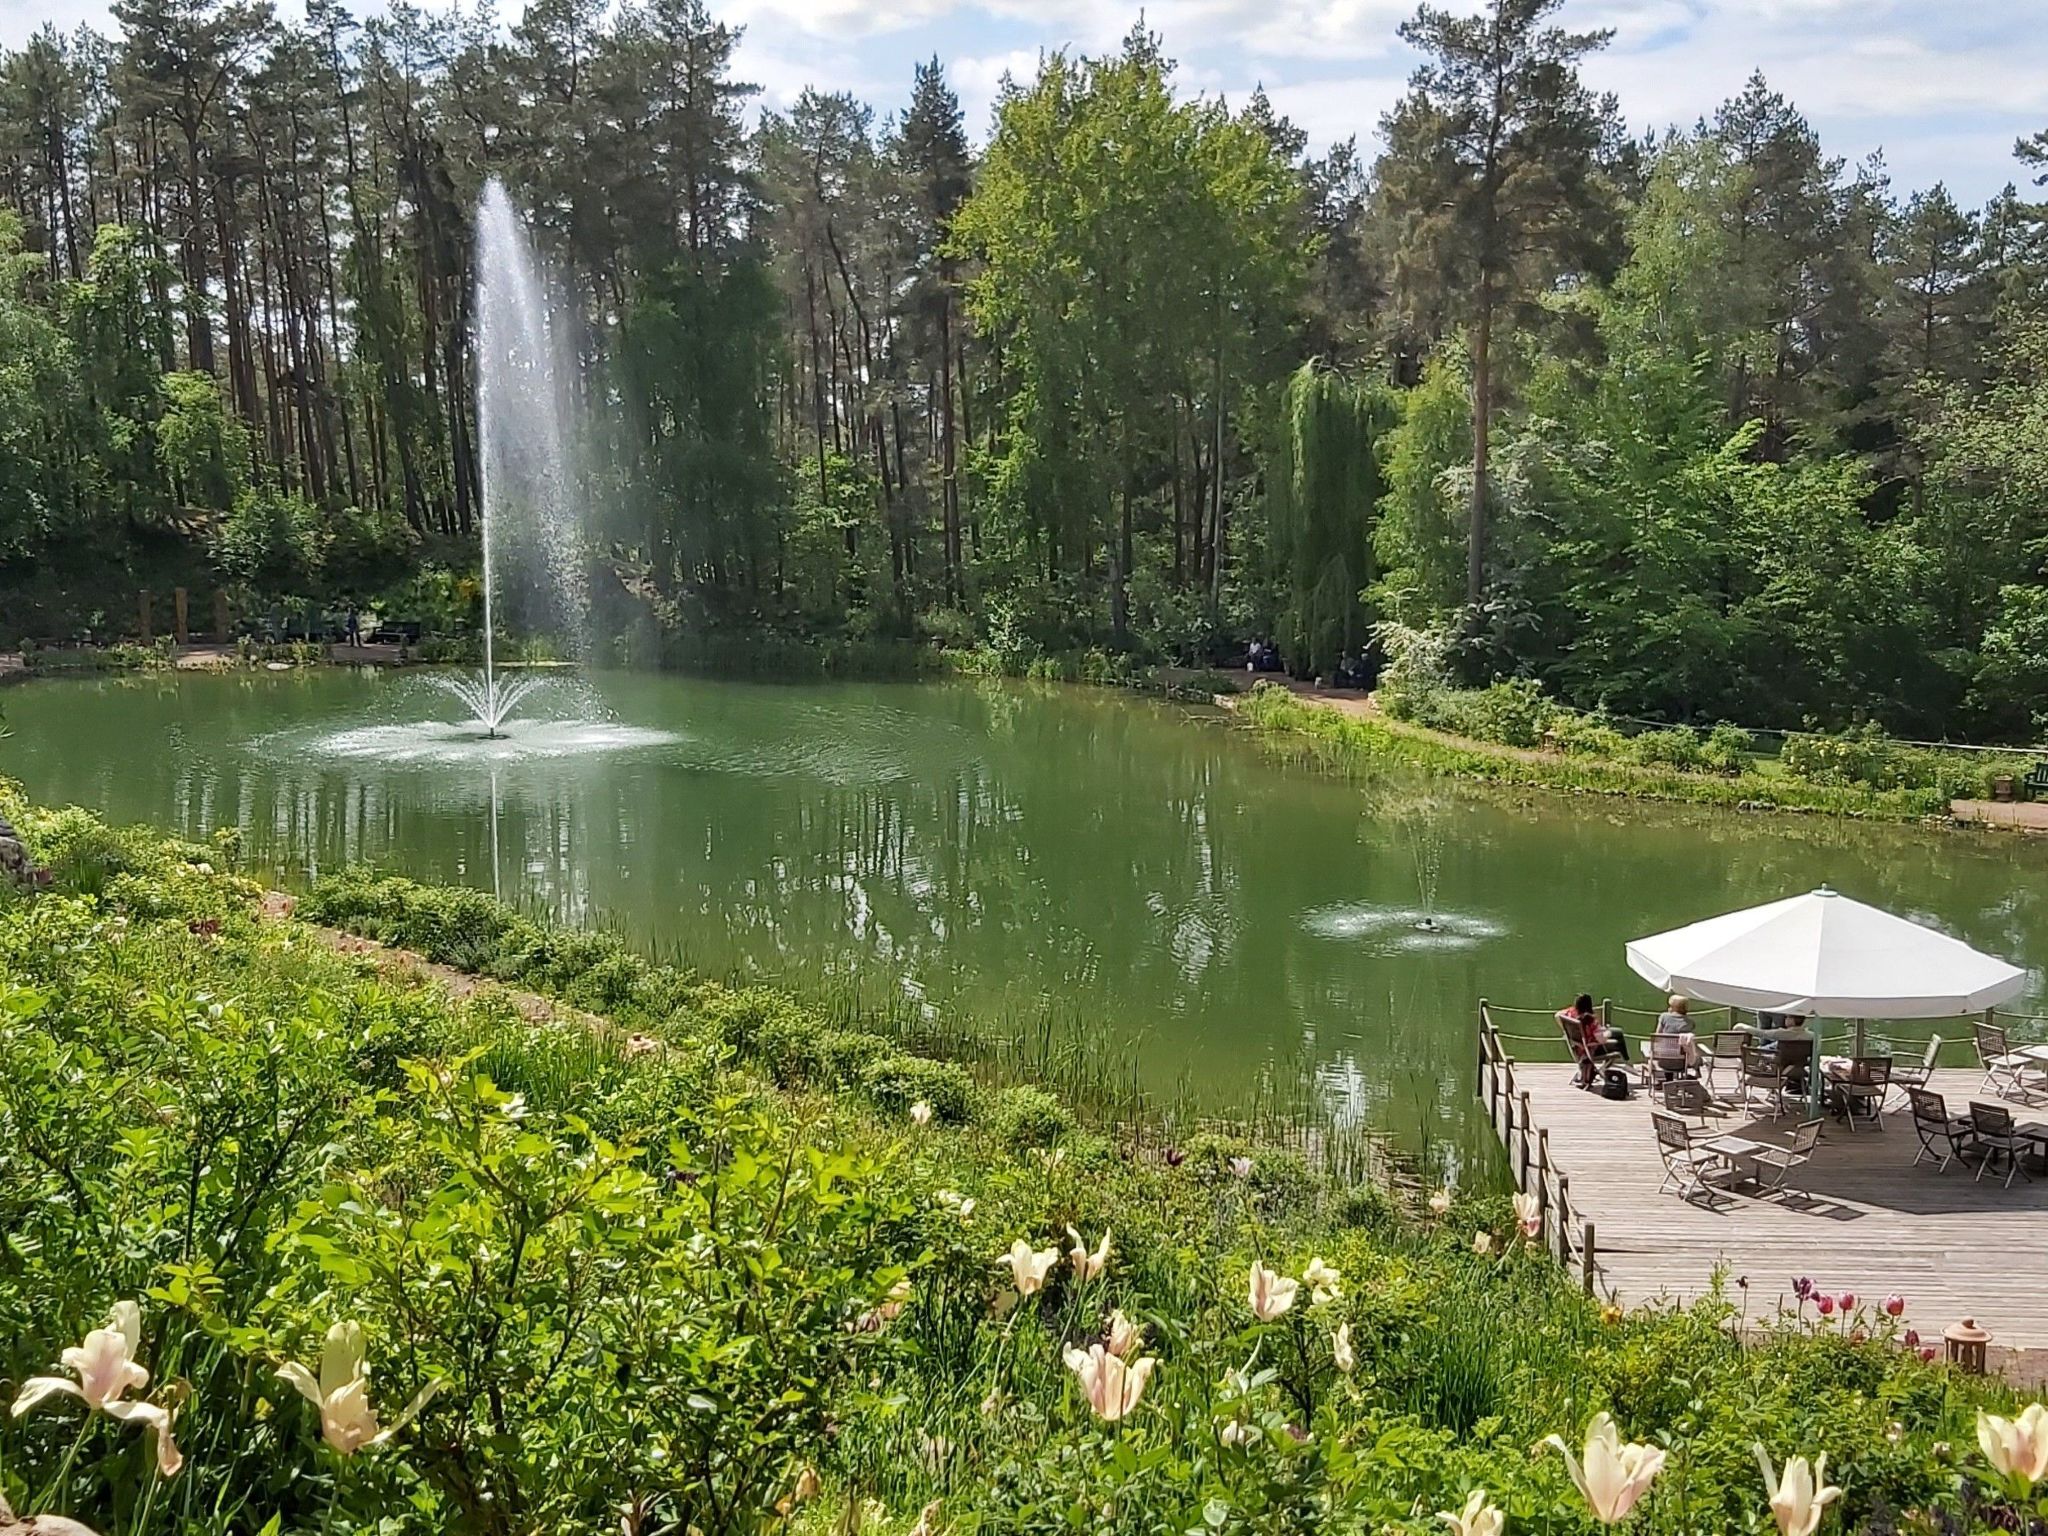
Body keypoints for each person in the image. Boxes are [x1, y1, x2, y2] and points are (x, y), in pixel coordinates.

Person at [1558, 993, 1628, 1089]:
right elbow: (1602, 1040)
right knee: (1617, 1040)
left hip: (1578, 1049)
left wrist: (1565, 1030)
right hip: (1590, 1050)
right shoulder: (1590, 1021)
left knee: (1617, 1032)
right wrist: (1607, 1033)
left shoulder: (1570, 1013)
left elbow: (1557, 1015)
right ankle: (1626, 1060)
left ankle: (1626, 1060)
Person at [1655, 994, 1700, 1071]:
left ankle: (1668, 1078)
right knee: (1696, 1052)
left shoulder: (1664, 1017)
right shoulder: (1690, 1022)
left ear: (1673, 1007)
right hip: (1683, 1062)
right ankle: (1695, 1073)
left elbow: (1657, 1036)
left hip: (1663, 1061)